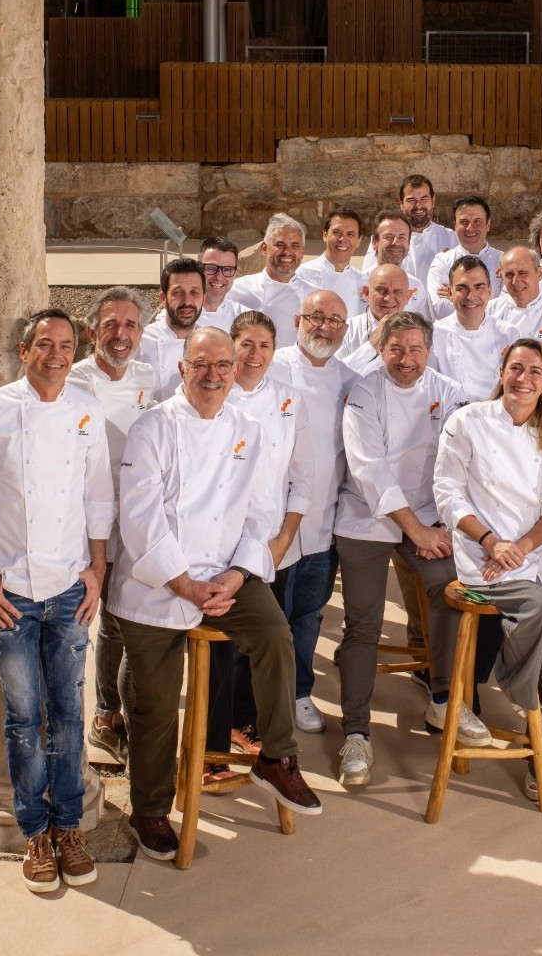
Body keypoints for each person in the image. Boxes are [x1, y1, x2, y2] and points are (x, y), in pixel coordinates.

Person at [111, 327, 321, 862]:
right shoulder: (152, 428)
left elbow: (259, 514)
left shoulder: (248, 429)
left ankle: (277, 758)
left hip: (225, 575)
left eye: (223, 366)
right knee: (157, 705)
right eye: (202, 365)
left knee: (276, 636)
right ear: (182, 369)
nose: (213, 375)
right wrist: (185, 584)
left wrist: (234, 577)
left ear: (235, 372)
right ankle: (151, 809)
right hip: (156, 582)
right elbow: (140, 521)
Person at [0, 309, 114, 892]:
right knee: (21, 719)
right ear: (24, 349)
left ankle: (68, 827)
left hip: (67, 591)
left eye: (66, 344)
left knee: (67, 715)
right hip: (9, 594)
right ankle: (34, 832)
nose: (56, 354)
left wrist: (98, 568)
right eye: (45, 344)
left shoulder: (86, 410)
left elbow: (97, 499)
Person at [335, 311, 486, 786]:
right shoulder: (363, 391)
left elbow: (462, 458)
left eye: (415, 349)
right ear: (380, 348)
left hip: (426, 512)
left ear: (430, 348)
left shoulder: (449, 390)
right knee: (364, 623)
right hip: (366, 514)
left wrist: (436, 523)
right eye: (395, 348)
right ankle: (356, 733)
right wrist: (417, 532)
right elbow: (370, 468)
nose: (405, 359)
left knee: (448, 593)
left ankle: (444, 701)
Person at [433, 339, 542, 800]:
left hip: (537, 554)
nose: (523, 379)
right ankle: (517, 687)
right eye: (516, 368)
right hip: (483, 558)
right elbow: (448, 493)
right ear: (502, 372)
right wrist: (493, 542)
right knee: (541, 610)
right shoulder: (468, 422)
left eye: (535, 372)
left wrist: (523, 547)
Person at [201, 310, 315, 787]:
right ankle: (209, 747)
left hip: (273, 544)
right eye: (245, 345)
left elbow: (303, 477)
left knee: (263, 648)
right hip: (218, 547)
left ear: (275, 350)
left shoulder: (290, 400)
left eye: (264, 345)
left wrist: (284, 540)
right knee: (220, 656)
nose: (254, 355)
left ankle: (247, 725)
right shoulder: (210, 399)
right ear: (231, 349)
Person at [68, 287, 157, 767]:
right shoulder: (74, 382)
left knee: (126, 619)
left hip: (137, 519)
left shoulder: (148, 377)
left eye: (129, 326)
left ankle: (117, 711)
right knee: (98, 620)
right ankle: (104, 714)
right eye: (110, 325)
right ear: (91, 332)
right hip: (84, 523)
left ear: (140, 334)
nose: (120, 336)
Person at [269, 290, 360, 743]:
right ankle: (266, 698)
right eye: (316, 317)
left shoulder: (351, 380)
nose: (325, 327)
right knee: (271, 618)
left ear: (346, 329)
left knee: (308, 614)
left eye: (335, 321)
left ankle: (301, 691)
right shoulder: (272, 366)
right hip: (273, 522)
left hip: (323, 521)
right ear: (297, 320)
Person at [431, 255, 518, 400]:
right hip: (452, 417)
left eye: (479, 287)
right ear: (450, 293)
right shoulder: (434, 334)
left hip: (495, 416)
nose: (471, 296)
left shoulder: (509, 333)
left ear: (490, 291)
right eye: (462, 288)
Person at [227, 213, 309, 348]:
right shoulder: (236, 289)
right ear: (264, 248)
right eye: (280, 244)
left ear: (302, 252)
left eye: (295, 245)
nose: (287, 252)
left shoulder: (313, 295)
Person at [362, 174, 457, 282]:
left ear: (433, 200)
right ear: (401, 203)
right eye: (411, 200)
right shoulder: (384, 239)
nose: (418, 206)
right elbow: (369, 279)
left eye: (424, 199)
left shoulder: (451, 238)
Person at [138, 258, 207, 400]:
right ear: (163, 298)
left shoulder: (212, 344)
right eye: (177, 293)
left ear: (204, 298)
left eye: (194, 293)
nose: (187, 301)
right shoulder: (139, 341)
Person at [426, 195, 503, 318]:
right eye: (463, 222)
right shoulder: (442, 261)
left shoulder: (504, 261)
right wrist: (489, 303)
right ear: (455, 225)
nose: (470, 228)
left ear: (488, 224)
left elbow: (508, 308)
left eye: (477, 221)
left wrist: (458, 300)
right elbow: (439, 308)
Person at [362, 210, 435, 321]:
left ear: (409, 244)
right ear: (374, 242)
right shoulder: (359, 281)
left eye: (402, 237)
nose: (396, 242)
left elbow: (423, 328)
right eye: (388, 237)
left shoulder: (416, 285)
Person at [295, 209, 367, 316]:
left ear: (359, 241)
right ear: (325, 235)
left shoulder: (364, 281)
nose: (343, 239)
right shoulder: (301, 275)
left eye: (350, 234)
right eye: (336, 232)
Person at [487, 246, 542, 340]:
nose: (515, 281)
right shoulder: (489, 310)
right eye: (509, 275)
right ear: (502, 277)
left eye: (522, 273)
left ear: (540, 273)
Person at [195, 236, 247, 333]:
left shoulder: (244, 317)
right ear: (198, 269)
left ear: (235, 273)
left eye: (227, 269)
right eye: (211, 268)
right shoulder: (176, 315)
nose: (219, 277)